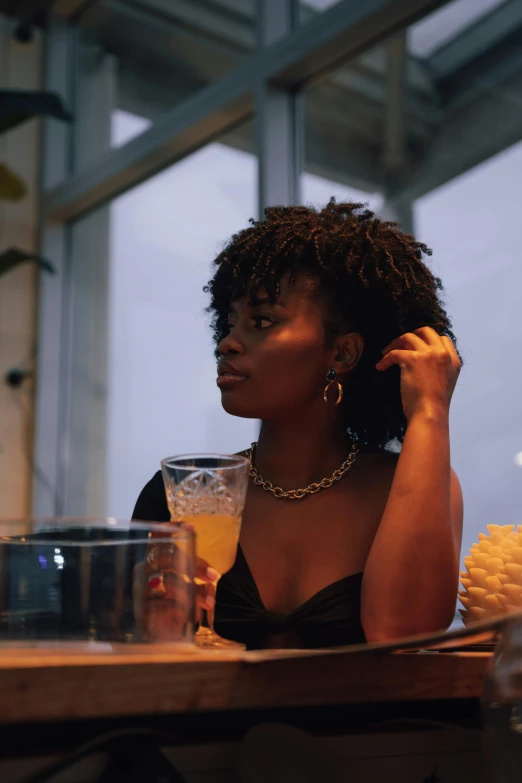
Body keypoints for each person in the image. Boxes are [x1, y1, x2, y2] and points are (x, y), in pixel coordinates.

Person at [133, 200, 463, 650]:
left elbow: (401, 633)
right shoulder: (181, 494)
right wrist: (154, 620)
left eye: (262, 320)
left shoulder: (412, 487)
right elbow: (143, 659)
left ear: (342, 353)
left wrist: (429, 413)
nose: (227, 343)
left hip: (373, 724)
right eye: (230, 322)